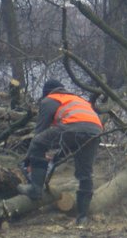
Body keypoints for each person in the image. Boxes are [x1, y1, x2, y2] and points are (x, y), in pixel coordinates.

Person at [18, 79, 103, 225]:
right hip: (95, 131)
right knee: (85, 173)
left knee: (38, 142)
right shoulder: (77, 99)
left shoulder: (50, 100)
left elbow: (40, 133)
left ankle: (35, 189)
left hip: (72, 127)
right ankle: (82, 217)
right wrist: (57, 157)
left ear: (46, 93)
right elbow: (75, 136)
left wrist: (29, 159)